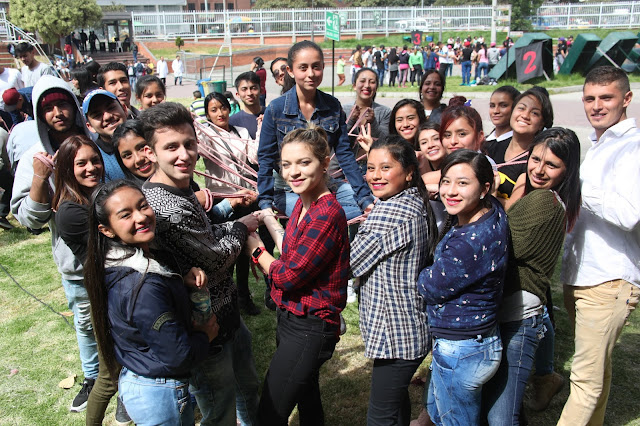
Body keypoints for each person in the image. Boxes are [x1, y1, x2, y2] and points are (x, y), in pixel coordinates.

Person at [139, 102, 260, 426]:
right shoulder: (162, 206)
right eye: (171, 147)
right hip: (205, 331)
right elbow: (215, 258)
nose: (184, 155)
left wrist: (234, 224)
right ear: (150, 153)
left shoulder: (181, 188)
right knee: (220, 413)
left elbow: (206, 234)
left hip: (227, 316)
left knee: (248, 390)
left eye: (189, 144)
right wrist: (241, 227)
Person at [84, 180, 216, 424]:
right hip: (160, 394)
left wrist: (178, 281)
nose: (141, 217)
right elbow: (178, 355)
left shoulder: (116, 264)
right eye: (126, 215)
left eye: (143, 206)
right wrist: (204, 336)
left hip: (141, 378)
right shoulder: (144, 286)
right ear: (106, 230)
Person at [246, 125, 349, 425]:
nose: (293, 172)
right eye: (286, 164)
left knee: (270, 413)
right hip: (292, 317)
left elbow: (289, 275)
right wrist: (266, 221)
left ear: (325, 163)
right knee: (307, 398)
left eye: (304, 162)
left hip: (310, 326)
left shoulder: (325, 214)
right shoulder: (305, 205)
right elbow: (292, 250)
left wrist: (256, 250)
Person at [558, 66, 640, 425]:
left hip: (610, 279)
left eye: (606, 97)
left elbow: (630, 214)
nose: (597, 105)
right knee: (596, 373)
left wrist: (575, 184)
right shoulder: (598, 144)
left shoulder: (633, 147)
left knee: (585, 381)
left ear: (626, 98)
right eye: (590, 98)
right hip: (581, 274)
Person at [483, 127, 582, 424]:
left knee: (502, 414)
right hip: (515, 311)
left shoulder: (543, 201)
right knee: (499, 402)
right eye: (535, 159)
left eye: (551, 164)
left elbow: (502, 244)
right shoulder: (536, 196)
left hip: (520, 317)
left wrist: (487, 202)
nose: (538, 170)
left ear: (567, 170)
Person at [10, 76, 97, 411]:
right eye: (49, 108)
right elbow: (29, 220)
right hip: (76, 264)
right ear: (39, 114)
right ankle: (93, 377)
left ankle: (122, 376)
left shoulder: (94, 144)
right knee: (86, 323)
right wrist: (39, 176)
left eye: (63, 104)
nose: (58, 113)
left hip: (120, 253)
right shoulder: (35, 157)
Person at [417, 149, 509, 425]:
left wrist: (421, 270)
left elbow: (430, 286)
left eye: (463, 183)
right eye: (446, 181)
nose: (451, 191)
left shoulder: (468, 242)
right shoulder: (493, 210)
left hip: (462, 350)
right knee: (441, 414)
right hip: (479, 341)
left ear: (485, 188)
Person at [351, 135, 437, 426]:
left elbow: (347, 263)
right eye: (370, 167)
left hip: (396, 334)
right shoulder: (412, 200)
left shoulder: (392, 213)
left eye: (385, 167)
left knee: (380, 417)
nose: (375, 175)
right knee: (395, 406)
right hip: (408, 326)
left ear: (409, 172)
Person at [257, 40, 374, 221]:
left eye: (316, 67)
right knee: (322, 218)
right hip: (289, 189)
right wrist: (265, 202)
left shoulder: (333, 106)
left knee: (368, 208)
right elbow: (265, 158)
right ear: (290, 71)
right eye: (303, 68)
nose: (310, 74)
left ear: (323, 68)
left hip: (324, 185)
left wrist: (365, 198)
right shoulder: (275, 109)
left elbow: (345, 154)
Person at [484, 87, 553, 203]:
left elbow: (515, 209)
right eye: (521, 108)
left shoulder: (537, 160)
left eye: (534, 113)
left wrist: (486, 197)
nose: (525, 115)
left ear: (542, 123)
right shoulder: (491, 146)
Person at [82, 89, 128, 181]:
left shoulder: (147, 137)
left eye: (111, 108)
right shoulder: (96, 159)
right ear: (90, 126)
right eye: (97, 115)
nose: (107, 117)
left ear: (124, 109)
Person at [229, 71, 263, 140]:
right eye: (244, 89)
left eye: (253, 88)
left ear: (261, 90)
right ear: (238, 94)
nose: (249, 93)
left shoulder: (271, 115)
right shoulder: (232, 122)